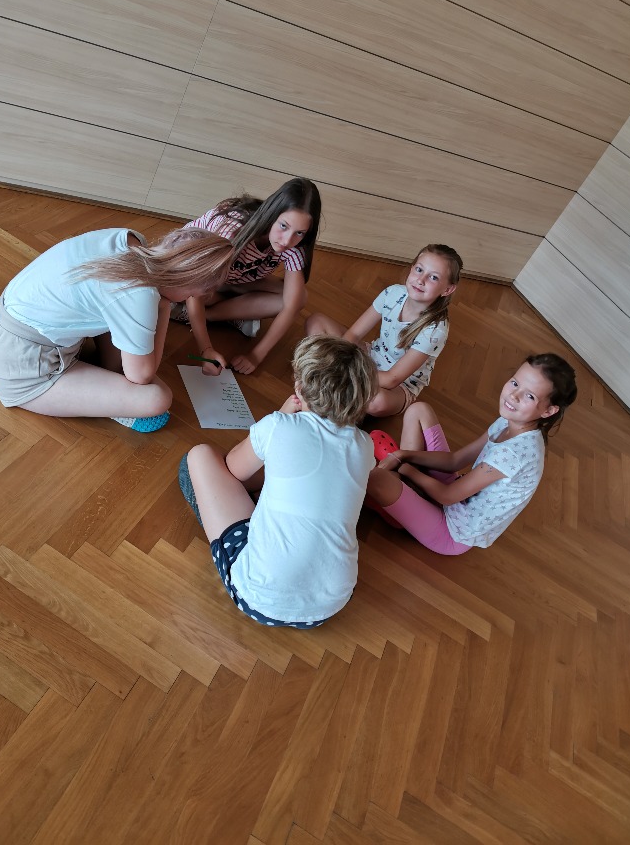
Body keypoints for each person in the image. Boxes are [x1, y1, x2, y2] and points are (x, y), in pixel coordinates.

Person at [178, 335, 378, 627]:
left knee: (197, 459)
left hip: (259, 597)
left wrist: (281, 415)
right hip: (332, 602)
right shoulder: (365, 444)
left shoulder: (278, 425)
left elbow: (233, 470)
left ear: (299, 388)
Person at [0, 226, 233, 431]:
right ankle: (105, 400)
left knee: (126, 346)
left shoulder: (128, 238)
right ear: (183, 280)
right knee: (157, 398)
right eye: (192, 294)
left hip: (6, 324)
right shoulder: (140, 294)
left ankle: (103, 383)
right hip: (21, 367)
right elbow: (142, 376)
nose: (189, 300)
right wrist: (164, 306)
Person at [365, 353, 578, 554]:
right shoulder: (508, 421)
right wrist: (403, 455)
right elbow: (455, 461)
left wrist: (405, 467)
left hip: (451, 532)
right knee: (418, 410)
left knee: (377, 479)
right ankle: (404, 492)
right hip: (455, 495)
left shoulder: (515, 454)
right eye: (515, 383)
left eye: (529, 396)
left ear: (548, 411)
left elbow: (447, 496)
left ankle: (397, 505)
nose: (514, 396)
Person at [173, 177, 322, 375]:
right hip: (188, 275)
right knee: (203, 295)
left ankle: (208, 315)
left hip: (231, 277)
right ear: (272, 214)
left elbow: (291, 306)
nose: (287, 240)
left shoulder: (295, 247)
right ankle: (202, 312)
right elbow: (195, 287)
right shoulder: (233, 230)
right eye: (283, 226)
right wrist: (206, 350)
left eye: (300, 233)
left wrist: (255, 356)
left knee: (298, 296)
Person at [305, 243, 462, 417]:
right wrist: (342, 360)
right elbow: (354, 334)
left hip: (399, 385)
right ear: (411, 268)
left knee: (376, 402)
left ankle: (333, 385)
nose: (421, 280)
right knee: (316, 321)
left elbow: (392, 378)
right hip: (371, 356)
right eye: (419, 270)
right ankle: (342, 390)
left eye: (433, 277)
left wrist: (343, 370)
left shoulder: (435, 330)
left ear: (448, 289)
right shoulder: (392, 293)